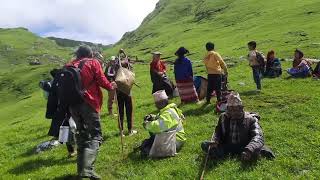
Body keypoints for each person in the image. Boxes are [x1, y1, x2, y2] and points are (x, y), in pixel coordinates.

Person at [67, 45, 117, 180]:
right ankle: (87, 171)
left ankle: (81, 171)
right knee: (95, 136)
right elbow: (102, 80)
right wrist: (111, 86)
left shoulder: (69, 65)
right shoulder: (92, 62)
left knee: (82, 137)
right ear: (90, 54)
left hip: (73, 106)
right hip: (89, 103)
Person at [201, 92, 275, 162]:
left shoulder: (251, 119)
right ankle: (222, 153)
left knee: (256, 149)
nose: (233, 112)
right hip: (227, 145)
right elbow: (218, 131)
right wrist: (215, 141)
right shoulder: (223, 117)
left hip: (245, 146)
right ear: (227, 109)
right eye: (230, 109)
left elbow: (258, 136)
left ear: (241, 108)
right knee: (205, 144)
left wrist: (249, 149)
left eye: (236, 109)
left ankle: (248, 154)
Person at [141, 90, 186, 157]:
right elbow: (162, 118)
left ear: (160, 103)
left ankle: (151, 146)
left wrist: (147, 125)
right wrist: (153, 117)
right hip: (177, 137)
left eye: (156, 103)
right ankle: (151, 143)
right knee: (149, 142)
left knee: (147, 149)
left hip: (175, 141)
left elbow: (159, 126)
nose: (156, 106)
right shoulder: (169, 109)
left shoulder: (167, 113)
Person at [44, 68, 76, 158]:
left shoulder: (52, 84)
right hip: (68, 110)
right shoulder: (65, 82)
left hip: (60, 111)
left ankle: (71, 150)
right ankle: (73, 149)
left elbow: (49, 99)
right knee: (70, 128)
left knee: (65, 129)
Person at [115, 49, 137, 136]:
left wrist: (120, 53)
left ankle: (122, 131)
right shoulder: (129, 68)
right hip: (127, 92)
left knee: (120, 111)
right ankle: (130, 130)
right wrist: (123, 53)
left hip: (119, 92)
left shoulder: (117, 67)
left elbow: (119, 60)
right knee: (129, 110)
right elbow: (126, 59)